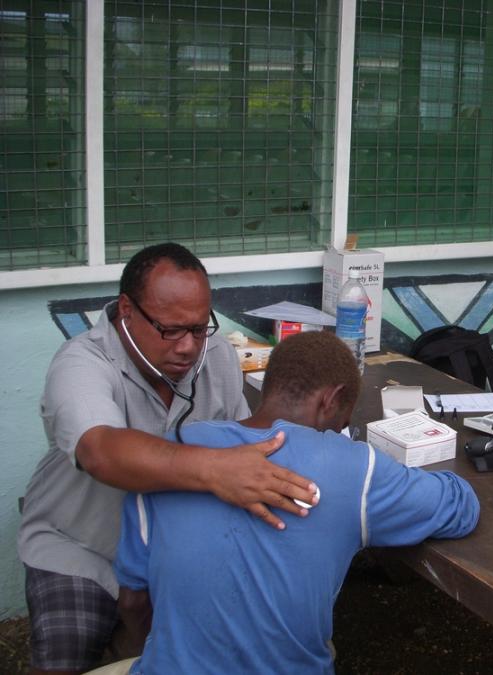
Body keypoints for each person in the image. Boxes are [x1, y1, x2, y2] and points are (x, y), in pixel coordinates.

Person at [17, 243, 318, 675]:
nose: (188, 347)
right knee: (69, 651)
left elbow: (241, 442)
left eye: (198, 329)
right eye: (171, 330)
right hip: (82, 546)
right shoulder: (80, 362)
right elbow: (101, 451)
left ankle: (134, 635)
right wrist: (216, 468)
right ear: (126, 310)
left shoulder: (216, 356)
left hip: (172, 548)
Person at [111, 331, 480, 674]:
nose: (340, 431)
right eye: (344, 420)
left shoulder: (169, 457)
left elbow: (133, 602)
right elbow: (461, 507)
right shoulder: (355, 468)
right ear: (331, 400)